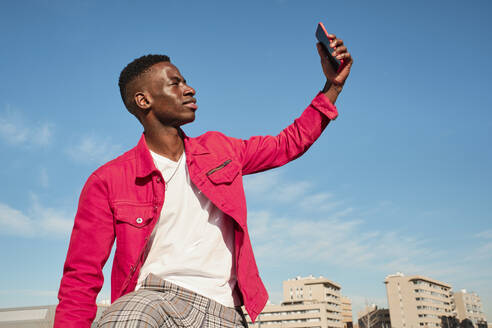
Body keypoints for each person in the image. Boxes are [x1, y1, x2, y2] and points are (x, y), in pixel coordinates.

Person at [54, 34, 353, 327]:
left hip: (224, 311)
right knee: (129, 316)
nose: (190, 89)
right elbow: (81, 276)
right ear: (143, 99)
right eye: (176, 83)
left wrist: (332, 88)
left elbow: (287, 144)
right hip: (155, 300)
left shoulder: (221, 150)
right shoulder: (108, 180)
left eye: (185, 81)